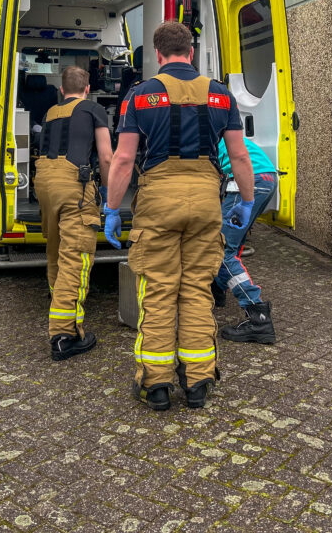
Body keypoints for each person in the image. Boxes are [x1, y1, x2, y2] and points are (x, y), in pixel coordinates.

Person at [105, 23, 255, 411]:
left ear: (158, 54)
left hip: (158, 202)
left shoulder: (140, 95)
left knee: (158, 291)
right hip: (206, 200)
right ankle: (198, 381)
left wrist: (110, 208)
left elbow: (123, 159)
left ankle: (155, 384)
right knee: (196, 290)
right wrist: (247, 200)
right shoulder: (220, 95)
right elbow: (239, 156)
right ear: (191, 51)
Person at [34, 65, 113, 361]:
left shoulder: (50, 112)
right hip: (73, 186)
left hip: (45, 184)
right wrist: (107, 192)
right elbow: (105, 155)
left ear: (62, 90)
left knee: (55, 252)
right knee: (76, 257)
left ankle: (60, 310)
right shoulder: (93, 109)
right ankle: (64, 335)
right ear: (88, 89)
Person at [212, 137, 278, 344]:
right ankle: (217, 291)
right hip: (264, 177)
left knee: (221, 250)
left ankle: (259, 319)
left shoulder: (195, 130)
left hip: (249, 178)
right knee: (232, 243)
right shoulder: (213, 122)